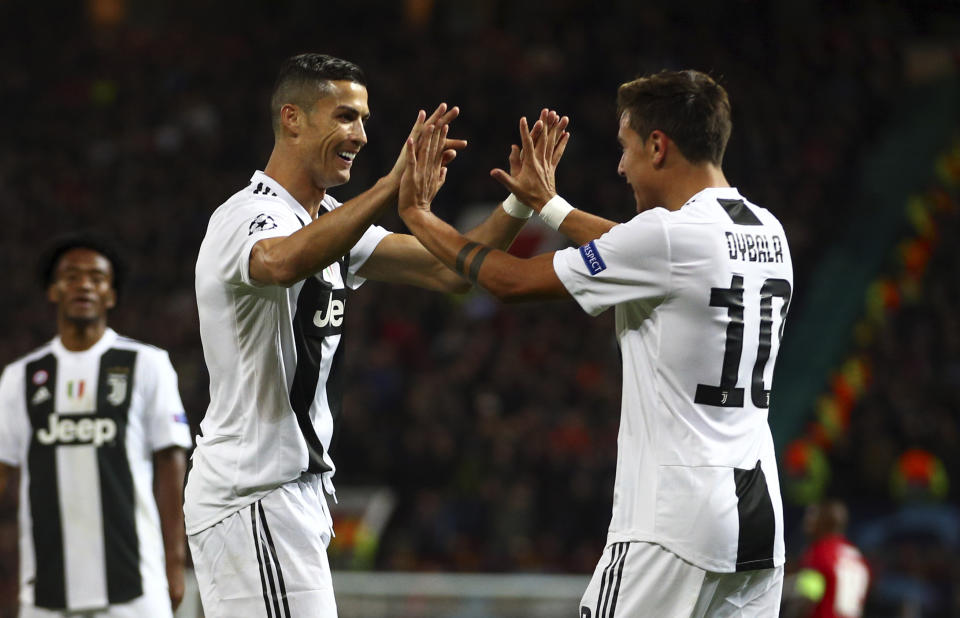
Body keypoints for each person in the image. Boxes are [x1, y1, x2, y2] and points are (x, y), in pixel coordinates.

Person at [398, 69, 793, 616]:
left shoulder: (670, 237)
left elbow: (507, 282)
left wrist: (418, 216)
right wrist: (549, 205)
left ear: (659, 146)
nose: (620, 165)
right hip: (757, 525)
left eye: (625, 148)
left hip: (670, 524)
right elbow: (645, 252)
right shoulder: (767, 231)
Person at [184, 53, 538, 617]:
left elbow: (451, 270)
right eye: (346, 117)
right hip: (251, 491)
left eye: (365, 119)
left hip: (293, 494)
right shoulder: (246, 215)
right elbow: (278, 263)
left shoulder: (327, 221)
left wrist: (522, 201)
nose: (362, 134)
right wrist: (390, 186)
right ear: (293, 118)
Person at [0, 234, 192, 617]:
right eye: (71, 276)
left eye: (96, 277)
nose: (83, 284)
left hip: (137, 585)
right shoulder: (20, 377)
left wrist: (174, 560)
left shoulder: (146, 363)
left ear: (111, 295)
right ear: (53, 291)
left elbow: (171, 464)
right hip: (46, 591)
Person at [782, 500, 871, 618]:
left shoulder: (821, 552)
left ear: (825, 522)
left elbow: (806, 598)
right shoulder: (857, 556)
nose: (807, 521)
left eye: (814, 515)